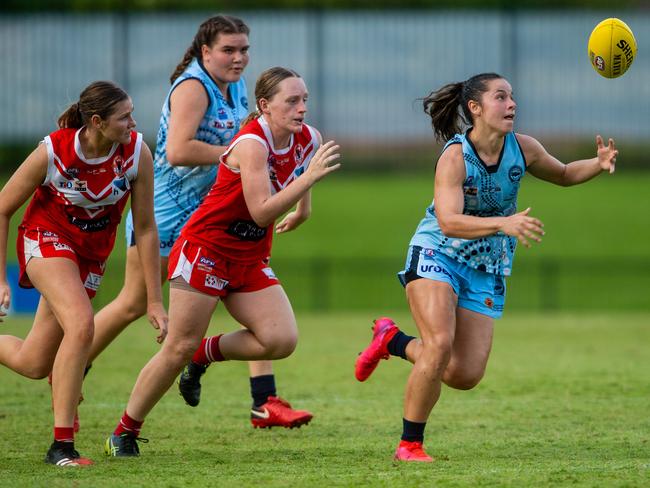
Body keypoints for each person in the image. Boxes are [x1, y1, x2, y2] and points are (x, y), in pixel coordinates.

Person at [354, 73, 617, 462]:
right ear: (475, 108)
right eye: (501, 97)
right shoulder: (455, 156)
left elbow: (562, 174)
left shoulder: (523, 148)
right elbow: (448, 221)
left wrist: (597, 163)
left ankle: (391, 340)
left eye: (512, 97)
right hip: (437, 254)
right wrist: (502, 223)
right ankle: (409, 445)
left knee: (464, 374)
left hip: (484, 265)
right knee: (440, 344)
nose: (511, 104)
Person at [86, 15, 312, 430]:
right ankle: (71, 365)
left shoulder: (236, 85)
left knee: (254, 299)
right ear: (205, 51)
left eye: (244, 49)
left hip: (217, 210)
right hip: (168, 215)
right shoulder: (193, 86)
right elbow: (177, 150)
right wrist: (243, 153)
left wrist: (255, 163)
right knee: (136, 303)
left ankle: (264, 400)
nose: (239, 57)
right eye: (229, 49)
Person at [104, 66, 341, 457]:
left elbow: (302, 168)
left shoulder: (307, 137)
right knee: (177, 346)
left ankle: (205, 353)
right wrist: (309, 179)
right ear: (264, 105)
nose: (302, 109)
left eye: (305, 100)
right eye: (292, 101)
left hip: (248, 257)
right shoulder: (252, 145)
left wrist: (303, 209)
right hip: (206, 251)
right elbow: (262, 211)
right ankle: (124, 431)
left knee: (282, 339)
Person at [0, 81, 166, 467]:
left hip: (90, 257)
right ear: (96, 122)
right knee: (81, 324)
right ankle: (62, 446)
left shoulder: (137, 153)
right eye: (125, 116)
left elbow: (144, 228)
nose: (133, 122)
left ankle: (60, 405)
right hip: (45, 239)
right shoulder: (53, 150)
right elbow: (3, 207)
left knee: (34, 361)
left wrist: (155, 301)